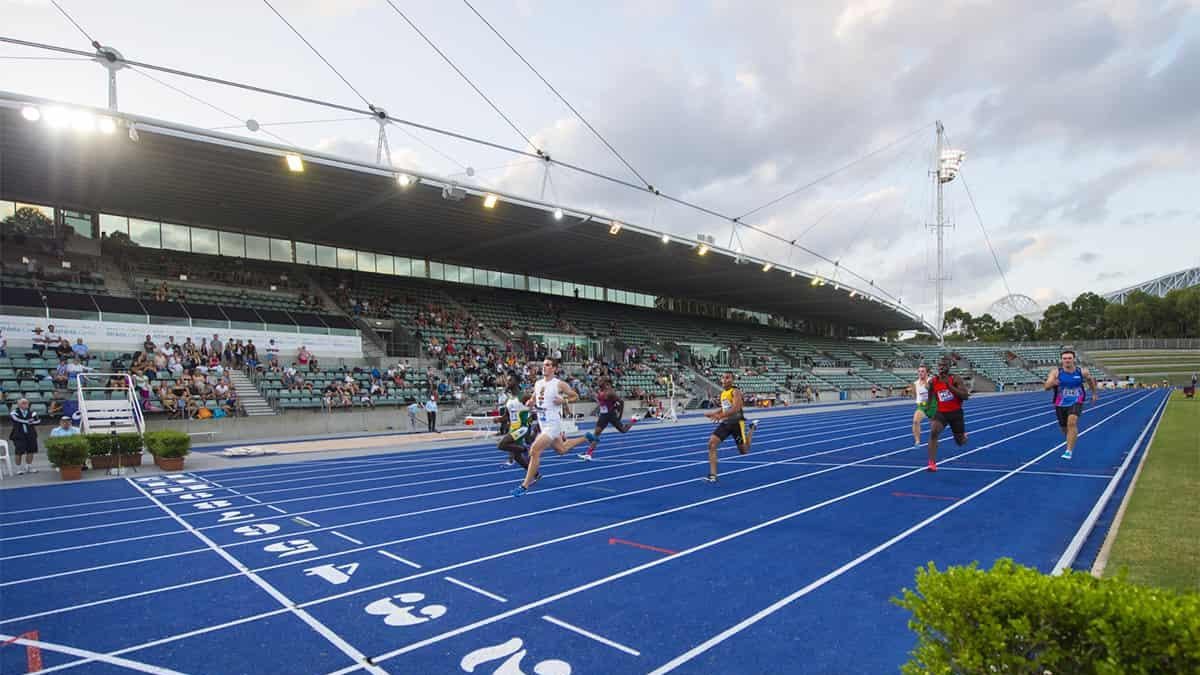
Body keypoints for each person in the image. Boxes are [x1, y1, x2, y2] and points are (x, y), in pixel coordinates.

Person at [511, 358, 596, 497]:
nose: (544, 367)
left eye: (548, 365)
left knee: (534, 450)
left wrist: (564, 400)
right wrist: (530, 402)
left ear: (554, 368)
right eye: (544, 365)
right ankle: (586, 437)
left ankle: (524, 485)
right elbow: (534, 399)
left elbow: (576, 396)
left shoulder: (559, 384)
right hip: (543, 423)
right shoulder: (538, 383)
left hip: (553, 424)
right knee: (561, 450)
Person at [702, 372, 758, 483]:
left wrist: (720, 416)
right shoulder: (723, 394)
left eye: (727, 377)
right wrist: (714, 413)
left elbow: (736, 408)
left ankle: (752, 428)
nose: (724, 379)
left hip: (737, 423)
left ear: (732, 380)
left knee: (744, 451)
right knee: (712, 443)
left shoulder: (735, 391)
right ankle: (713, 475)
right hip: (727, 423)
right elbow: (724, 409)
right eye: (723, 377)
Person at [1044, 349, 1098, 460]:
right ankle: (1071, 438)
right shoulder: (1056, 372)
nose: (1067, 360)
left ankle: (1068, 451)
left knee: (1072, 422)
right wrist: (1052, 383)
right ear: (1061, 360)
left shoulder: (1082, 372)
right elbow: (1046, 387)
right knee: (1064, 428)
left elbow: (1090, 381)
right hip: (1060, 402)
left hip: (1077, 400)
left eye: (1069, 358)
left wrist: (1093, 393)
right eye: (1065, 358)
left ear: (1074, 359)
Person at [578, 377, 638, 461]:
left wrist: (620, 416)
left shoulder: (610, 392)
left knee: (623, 430)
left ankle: (634, 420)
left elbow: (621, 402)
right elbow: (602, 401)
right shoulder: (600, 390)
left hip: (611, 415)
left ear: (605, 383)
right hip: (603, 415)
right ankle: (588, 454)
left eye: (600, 380)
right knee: (596, 434)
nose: (598, 382)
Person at [927, 357, 970, 471]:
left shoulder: (955, 379)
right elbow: (930, 397)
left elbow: (965, 396)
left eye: (944, 365)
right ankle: (932, 463)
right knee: (934, 432)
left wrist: (949, 386)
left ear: (949, 367)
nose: (941, 367)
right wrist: (929, 411)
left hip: (956, 413)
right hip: (941, 413)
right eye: (939, 365)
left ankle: (963, 436)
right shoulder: (933, 381)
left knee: (960, 442)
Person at [8, 398, 42, 475]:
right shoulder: (14, 412)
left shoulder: (32, 412)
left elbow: (38, 421)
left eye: (26, 403)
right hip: (18, 435)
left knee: (31, 450)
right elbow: (16, 420)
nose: (25, 404)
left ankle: (29, 467)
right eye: (23, 403)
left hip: (31, 434)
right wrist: (28, 421)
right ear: (19, 404)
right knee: (19, 451)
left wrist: (31, 422)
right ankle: (18, 468)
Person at [911, 365, 936, 447]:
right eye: (919, 371)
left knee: (933, 427)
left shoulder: (931, 381)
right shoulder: (915, 383)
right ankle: (917, 441)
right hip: (922, 406)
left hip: (932, 405)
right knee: (915, 421)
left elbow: (930, 389)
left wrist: (925, 381)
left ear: (927, 373)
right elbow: (915, 395)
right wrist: (919, 402)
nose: (920, 373)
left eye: (922, 371)